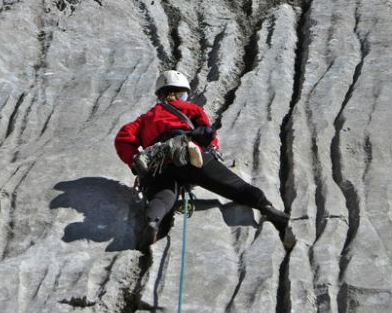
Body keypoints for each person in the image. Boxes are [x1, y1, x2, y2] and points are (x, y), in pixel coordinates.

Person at [114, 70, 295, 251]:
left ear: (160, 95)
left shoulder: (145, 119)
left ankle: (153, 221)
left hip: (159, 164)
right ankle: (266, 207)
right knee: (235, 186)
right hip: (190, 154)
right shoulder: (191, 109)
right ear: (180, 93)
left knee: (163, 195)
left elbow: (122, 139)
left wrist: (134, 162)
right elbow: (209, 136)